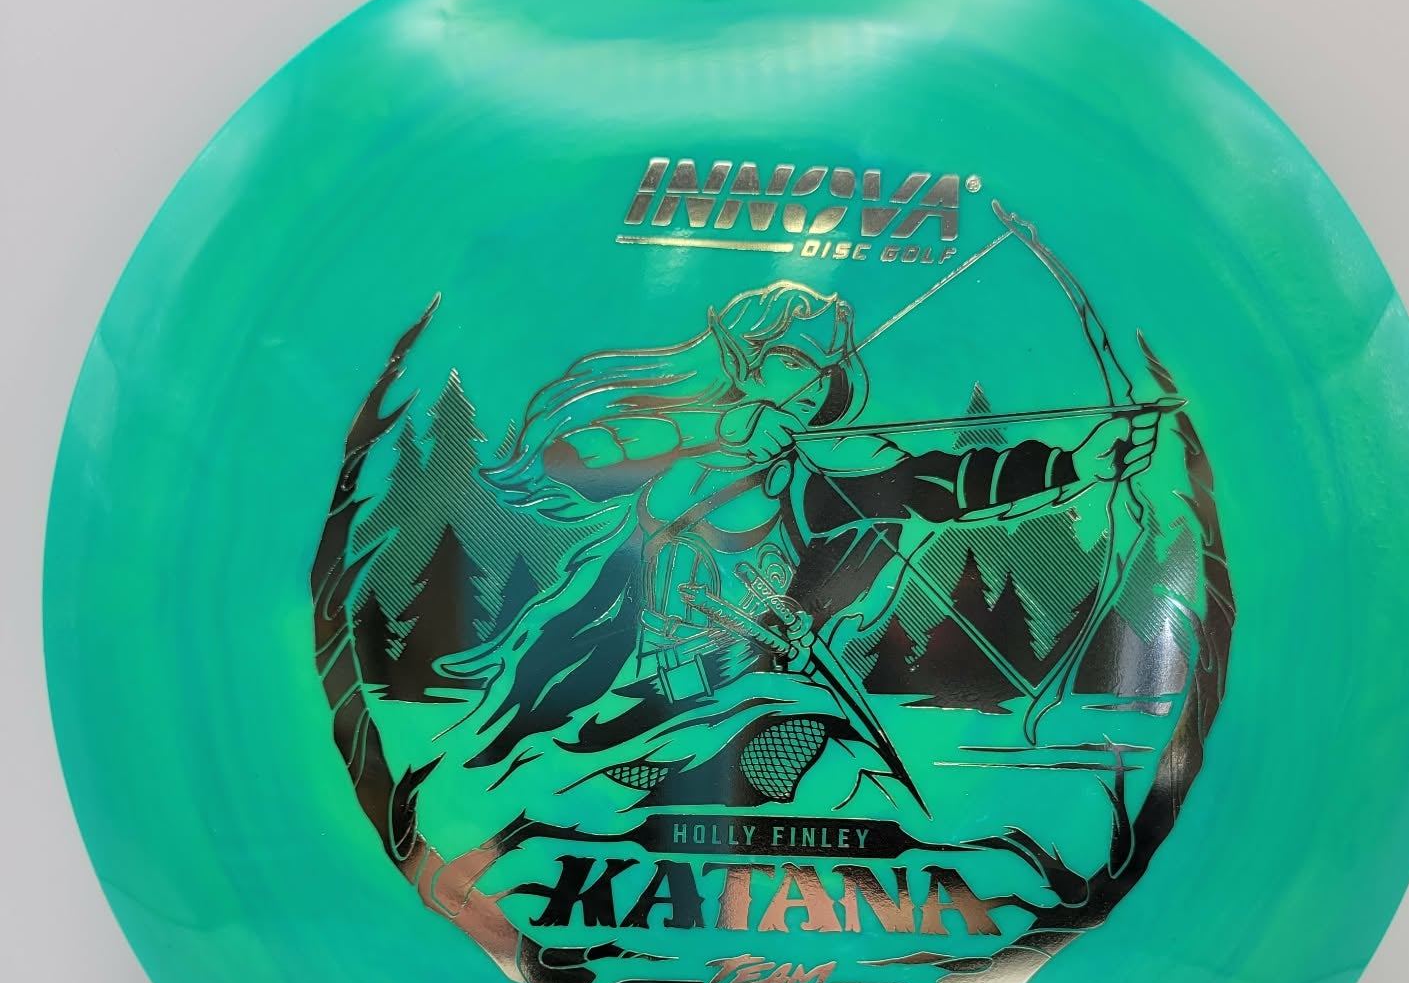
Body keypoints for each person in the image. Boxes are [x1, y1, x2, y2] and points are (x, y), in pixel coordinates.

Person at [451, 281, 1156, 816]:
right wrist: (712, 431)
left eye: (824, 371)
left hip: (772, 701)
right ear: (744, 362)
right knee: (601, 794)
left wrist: (1078, 463)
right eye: (791, 358)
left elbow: (939, 481)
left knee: (798, 766)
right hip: (651, 701)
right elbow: (570, 459)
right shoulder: (677, 461)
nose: (810, 384)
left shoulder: (828, 484)